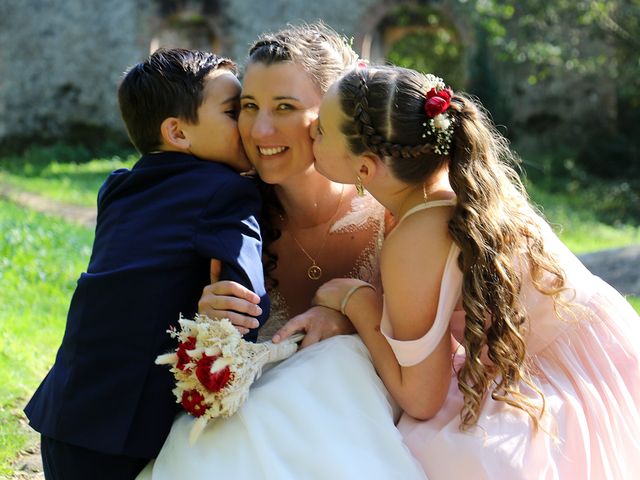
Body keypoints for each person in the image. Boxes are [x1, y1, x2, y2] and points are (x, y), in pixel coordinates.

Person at [311, 65, 640, 478]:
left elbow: (421, 397)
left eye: (321, 130)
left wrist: (356, 300)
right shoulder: (469, 185)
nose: (311, 134)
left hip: (567, 385)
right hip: (611, 351)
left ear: (365, 169)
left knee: (421, 453)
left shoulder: (417, 237)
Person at [136, 24, 426, 480]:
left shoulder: (393, 212)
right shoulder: (223, 221)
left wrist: (353, 319)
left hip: (371, 435)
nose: (261, 129)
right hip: (256, 445)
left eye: (285, 107)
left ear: (333, 112)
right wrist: (206, 323)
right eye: (247, 107)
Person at [24, 48, 269, 480]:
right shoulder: (227, 191)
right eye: (235, 112)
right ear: (177, 132)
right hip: (131, 421)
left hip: (69, 402)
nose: (248, 126)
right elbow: (246, 304)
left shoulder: (117, 187)